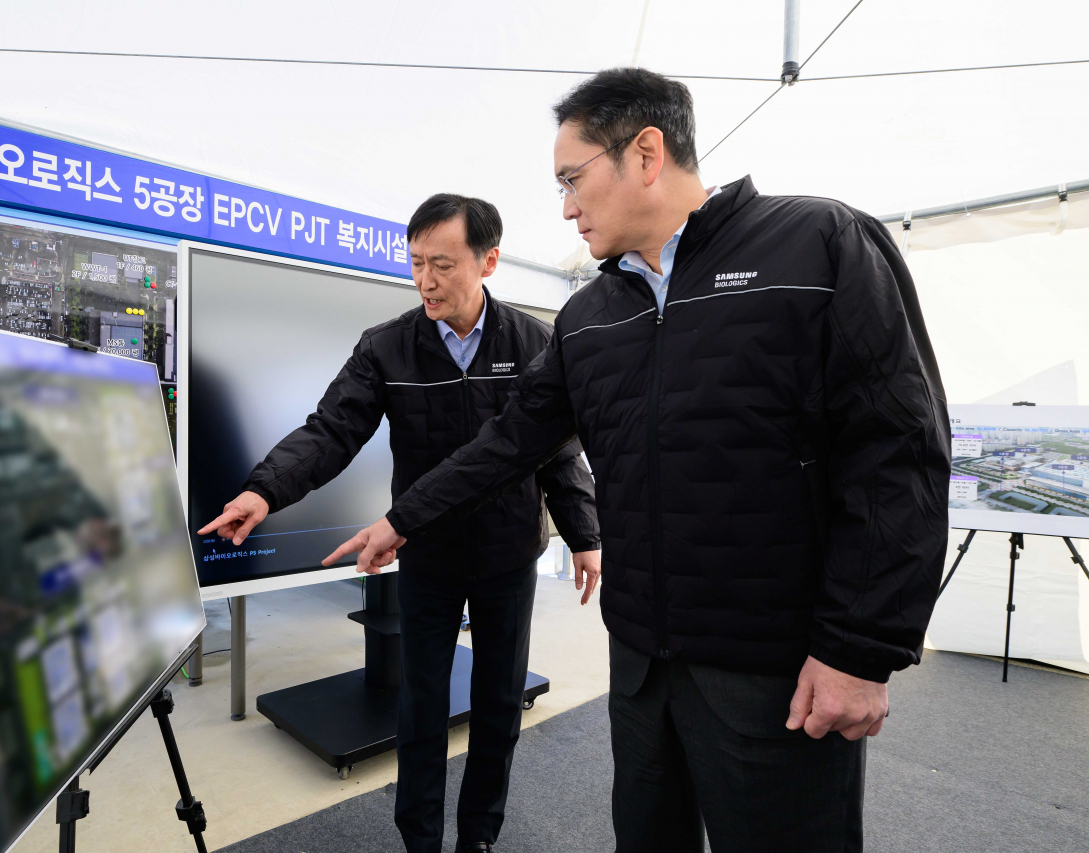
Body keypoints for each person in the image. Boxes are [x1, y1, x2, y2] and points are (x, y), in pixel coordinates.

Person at [325, 69, 952, 852]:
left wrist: (861, 649)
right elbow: (512, 441)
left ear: (646, 153)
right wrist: (401, 517)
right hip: (643, 667)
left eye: (572, 179)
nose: (564, 206)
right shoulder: (589, 315)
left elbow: (901, 452)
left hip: (776, 673)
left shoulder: (817, 245)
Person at [198, 193, 602, 853]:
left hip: (506, 555)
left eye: (442, 264)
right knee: (420, 706)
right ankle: (419, 838)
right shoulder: (388, 347)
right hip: (427, 556)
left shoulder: (534, 342)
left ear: (488, 260)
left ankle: (478, 836)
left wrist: (582, 533)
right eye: (415, 263)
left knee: (499, 706)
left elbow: (556, 447)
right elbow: (331, 430)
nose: (425, 280)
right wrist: (264, 490)